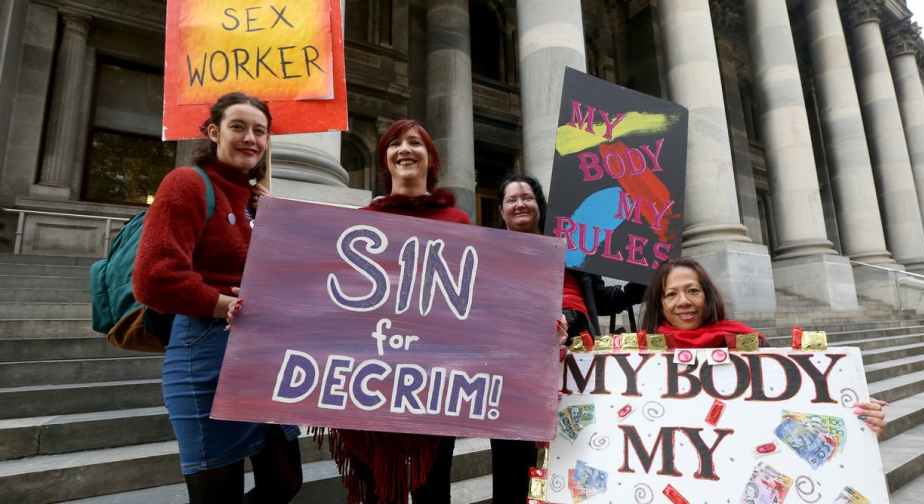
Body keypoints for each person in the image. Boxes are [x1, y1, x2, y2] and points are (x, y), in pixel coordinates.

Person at [133, 92, 302, 503]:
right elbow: (154, 278)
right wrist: (225, 304)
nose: (251, 138)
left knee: (285, 480)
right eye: (238, 127)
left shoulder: (257, 201)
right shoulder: (186, 183)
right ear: (213, 132)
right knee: (217, 495)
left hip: (263, 356)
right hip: (205, 355)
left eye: (260, 131)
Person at [315, 119, 470, 504]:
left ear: (429, 158)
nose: (405, 149)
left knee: (434, 490)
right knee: (376, 490)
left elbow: (482, 301)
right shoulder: (362, 222)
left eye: (415, 142)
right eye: (395, 143)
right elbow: (332, 299)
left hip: (434, 384)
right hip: (370, 380)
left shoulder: (458, 223)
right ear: (384, 160)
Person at [490, 174, 644, 503]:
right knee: (513, 467)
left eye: (527, 198)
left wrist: (640, 284)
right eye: (512, 199)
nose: (520, 204)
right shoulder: (488, 256)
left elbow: (603, 300)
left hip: (576, 368)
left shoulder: (572, 253)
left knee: (577, 453)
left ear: (539, 207)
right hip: (513, 381)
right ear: (501, 211)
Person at [640, 257, 888, 434]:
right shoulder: (636, 359)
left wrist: (852, 415)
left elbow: (798, 405)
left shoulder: (749, 342)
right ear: (659, 304)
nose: (683, 301)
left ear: (707, 296)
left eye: (693, 291)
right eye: (671, 294)